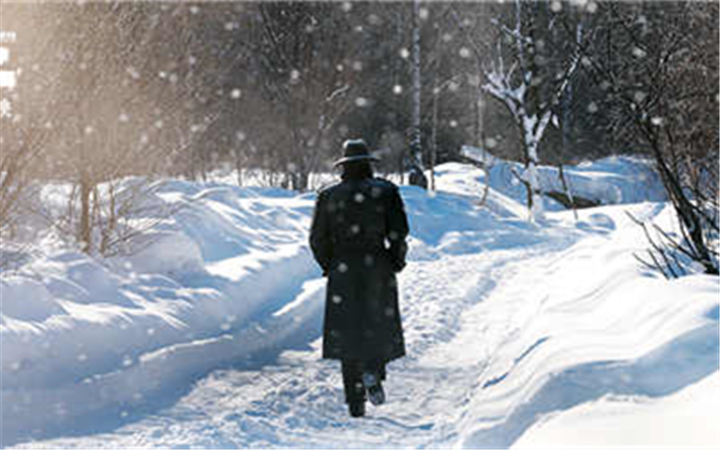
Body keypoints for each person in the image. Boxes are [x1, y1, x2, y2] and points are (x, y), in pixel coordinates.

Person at [309, 139, 409, 418]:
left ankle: (355, 401)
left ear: (344, 166)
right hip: (377, 264)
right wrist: (395, 260)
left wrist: (330, 264)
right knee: (377, 322)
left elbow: (317, 238)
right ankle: (372, 371)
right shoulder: (386, 191)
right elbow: (399, 232)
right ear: (368, 164)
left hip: (343, 268)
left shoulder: (328, 195)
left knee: (347, 332)